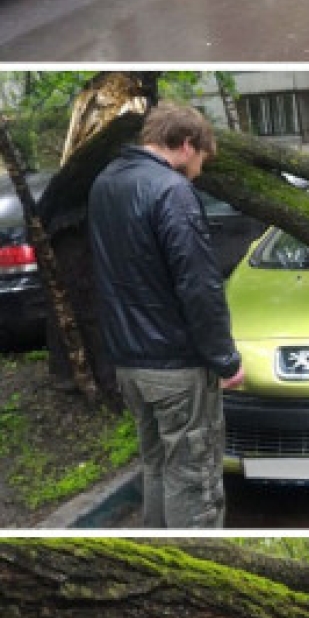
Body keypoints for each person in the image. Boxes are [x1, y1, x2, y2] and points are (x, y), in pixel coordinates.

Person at [88, 101, 245, 528]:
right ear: (187, 145)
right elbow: (199, 285)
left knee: (157, 466)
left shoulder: (106, 183)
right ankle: (196, 565)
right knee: (194, 480)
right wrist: (226, 359)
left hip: (129, 362)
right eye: (201, 160)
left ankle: (157, 550)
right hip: (175, 365)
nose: (200, 170)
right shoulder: (172, 191)